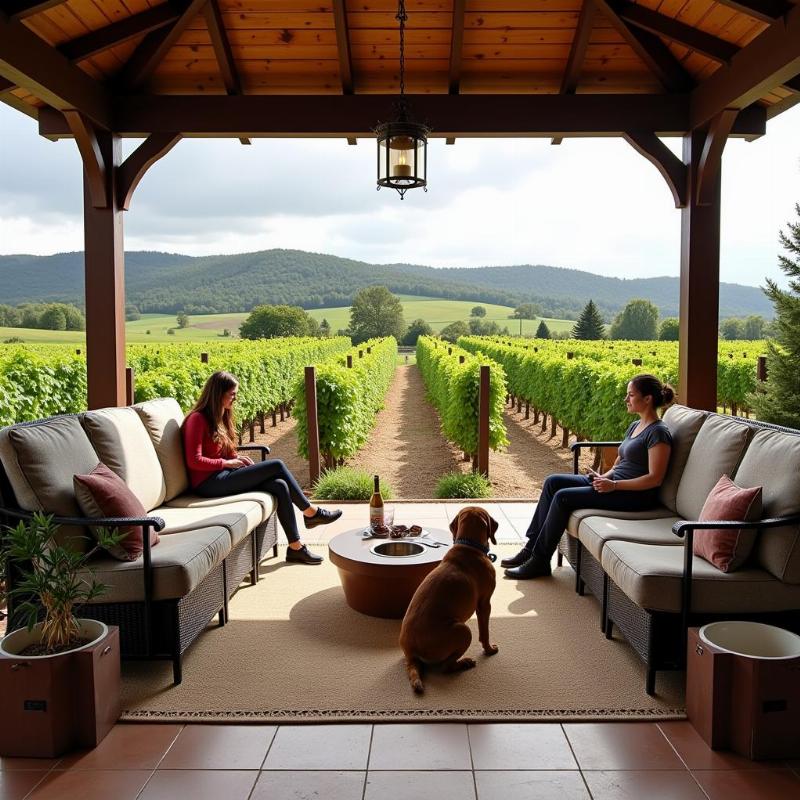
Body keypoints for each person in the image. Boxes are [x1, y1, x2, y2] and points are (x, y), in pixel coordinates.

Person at [503, 374, 675, 580]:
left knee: (563, 497)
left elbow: (655, 478)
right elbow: (621, 462)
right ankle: (530, 549)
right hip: (614, 484)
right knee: (552, 482)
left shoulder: (658, 432)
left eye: (630, 395)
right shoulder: (635, 426)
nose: (626, 399)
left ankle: (540, 561)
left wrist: (614, 485)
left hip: (634, 496)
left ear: (647, 399)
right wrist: (603, 477)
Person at [182, 370, 341, 565]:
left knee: (279, 485)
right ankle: (310, 512)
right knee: (277, 465)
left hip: (222, 474)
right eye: (232, 394)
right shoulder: (197, 419)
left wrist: (235, 457)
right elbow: (194, 460)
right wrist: (228, 463)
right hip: (207, 483)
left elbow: (220, 450)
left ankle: (295, 548)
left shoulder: (221, 416)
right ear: (218, 394)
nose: (235, 398)